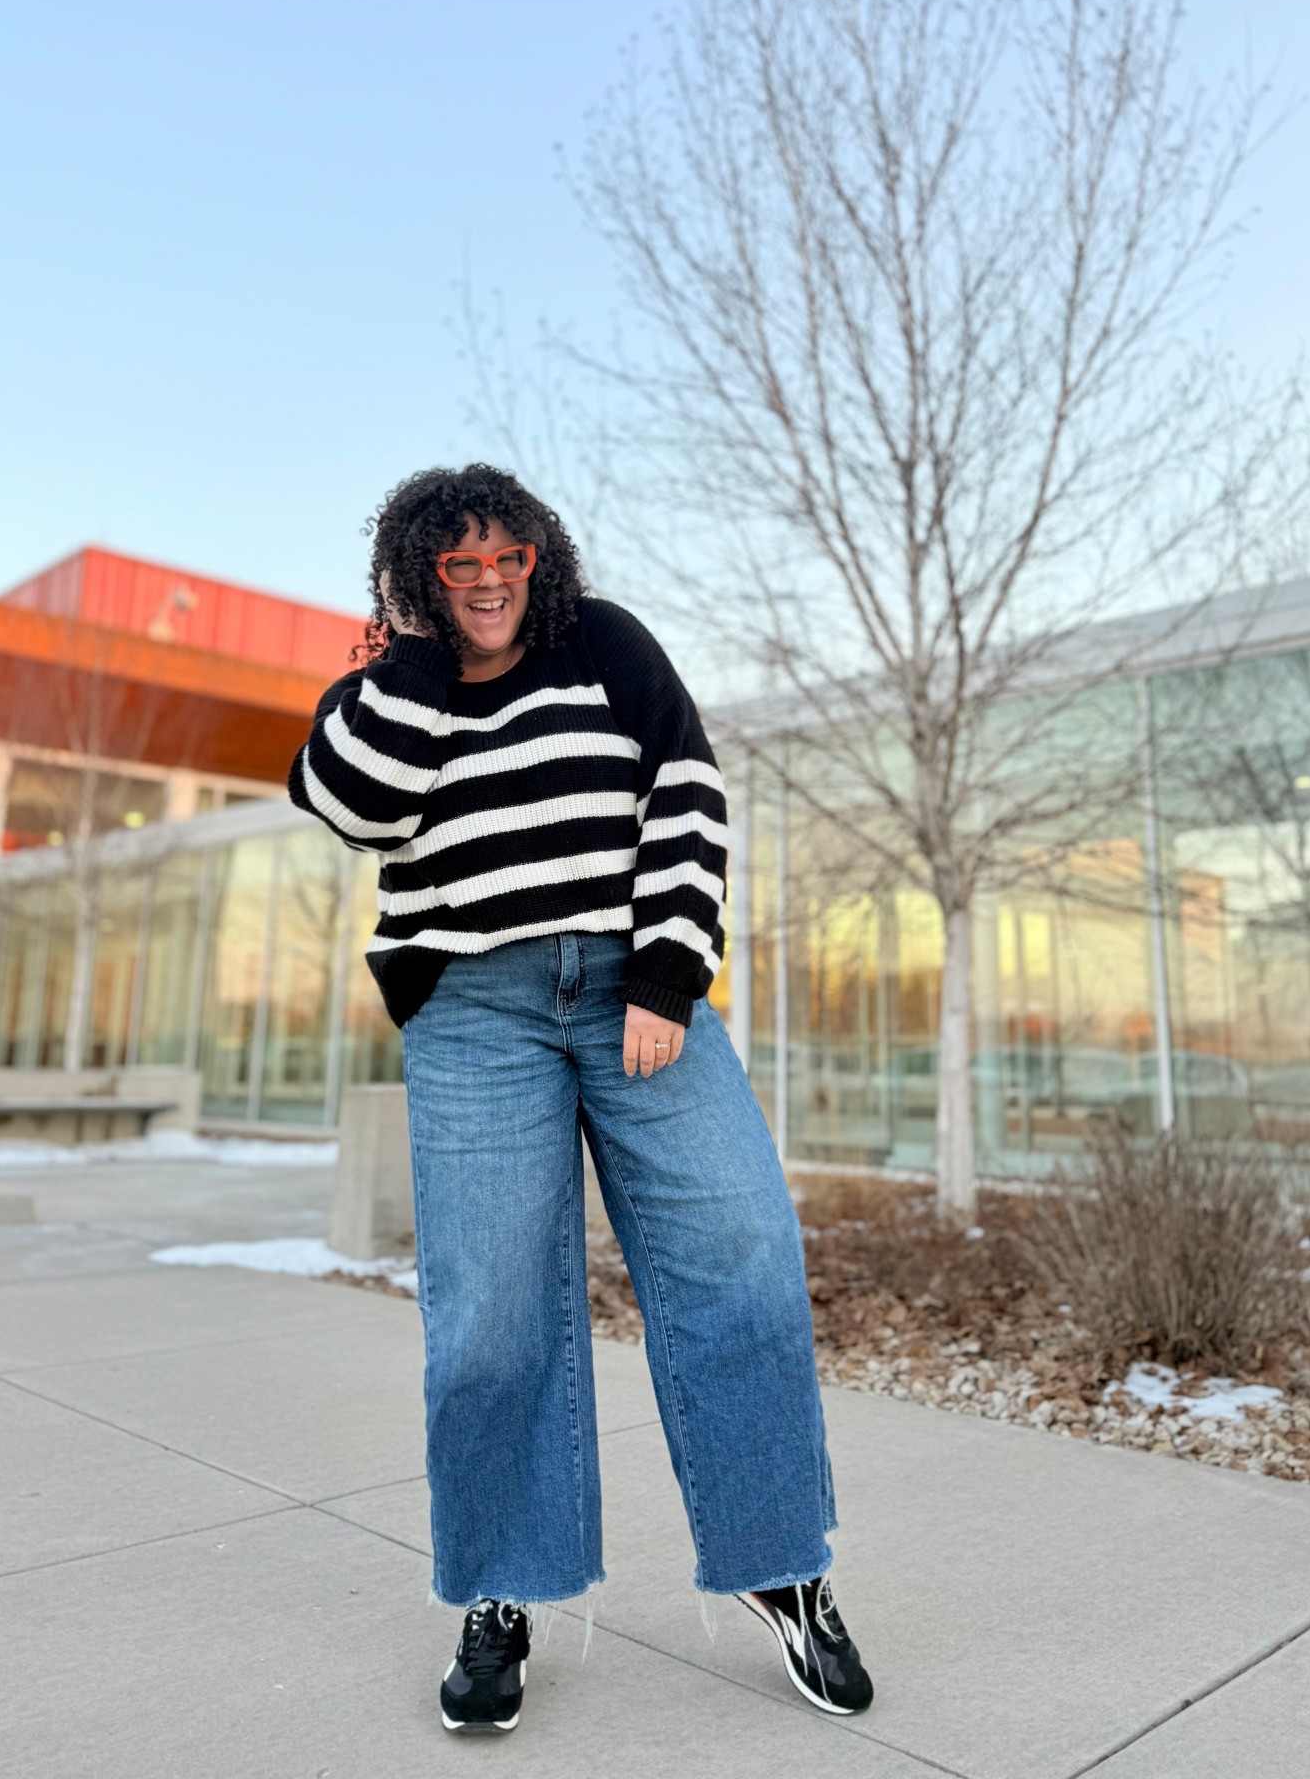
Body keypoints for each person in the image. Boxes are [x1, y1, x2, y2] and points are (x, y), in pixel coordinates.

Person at [289, 464, 872, 1734]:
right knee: (492, 1311)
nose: (491, 578)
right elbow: (349, 805)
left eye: (510, 555)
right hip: (476, 1013)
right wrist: (426, 664)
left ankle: (784, 1564)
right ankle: (502, 1586)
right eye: (461, 562)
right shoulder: (389, 689)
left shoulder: (604, 644)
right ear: (419, 573)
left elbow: (689, 794)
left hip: (634, 990)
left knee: (741, 1255)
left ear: (539, 556)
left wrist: (668, 973)